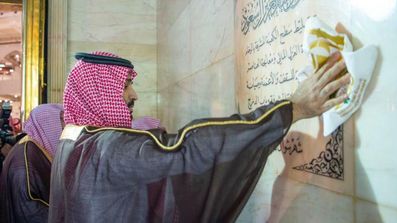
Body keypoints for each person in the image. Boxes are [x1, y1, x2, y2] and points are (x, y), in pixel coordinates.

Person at [48, 51, 350, 223]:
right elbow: (187, 150)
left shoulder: (71, 141)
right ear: (98, 91)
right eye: (125, 85)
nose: (133, 95)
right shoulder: (107, 148)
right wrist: (291, 110)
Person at [0, 104, 64, 223]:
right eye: (61, 120)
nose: (65, 127)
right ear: (48, 123)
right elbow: (30, 211)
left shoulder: (35, 148)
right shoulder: (25, 161)